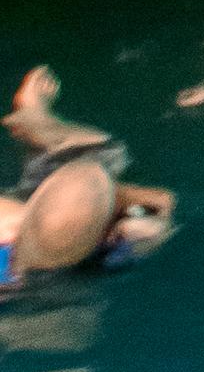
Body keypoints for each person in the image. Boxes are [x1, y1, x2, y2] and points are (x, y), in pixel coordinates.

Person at [0, 81, 175, 286]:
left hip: (48, 235)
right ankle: (35, 117)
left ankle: (34, 117)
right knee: (101, 150)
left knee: (95, 152)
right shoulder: (126, 239)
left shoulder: (10, 227)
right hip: (81, 246)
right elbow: (162, 203)